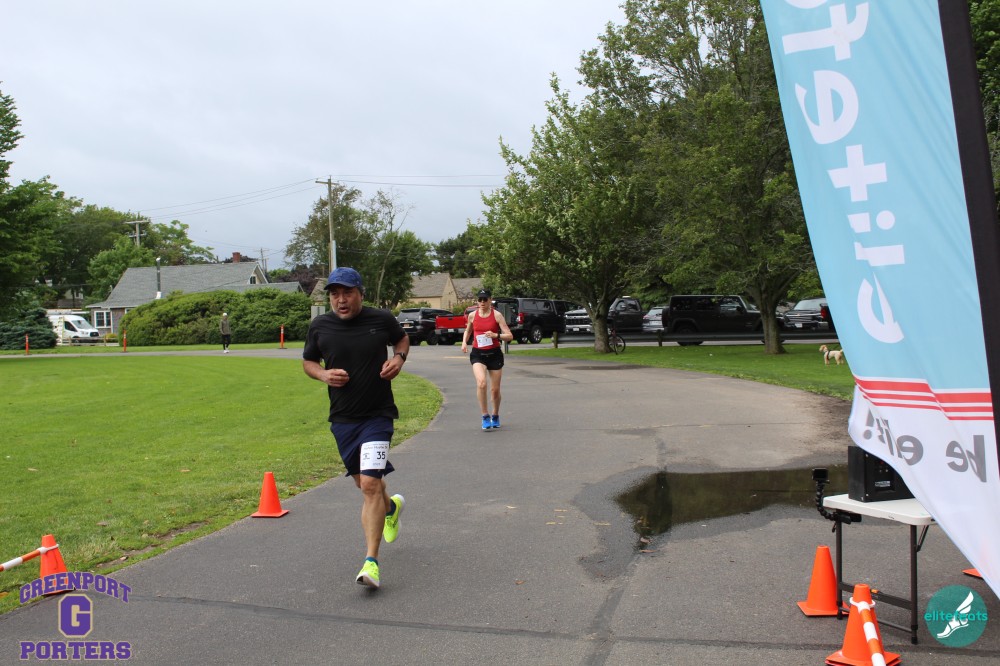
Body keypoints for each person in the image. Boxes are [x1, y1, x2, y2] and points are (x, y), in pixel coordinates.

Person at [302, 267, 410, 590]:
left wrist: (399, 358)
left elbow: (402, 338)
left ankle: (371, 562)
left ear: (361, 293)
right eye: (335, 294)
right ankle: (391, 508)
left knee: (370, 485)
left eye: (347, 293)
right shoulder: (320, 326)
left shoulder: (381, 319)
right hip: (343, 421)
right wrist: (323, 375)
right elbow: (308, 362)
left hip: (377, 416)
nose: (341, 300)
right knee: (366, 485)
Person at [461, 289, 514, 430]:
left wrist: (496, 335)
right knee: (481, 383)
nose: (482, 302)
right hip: (478, 354)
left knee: (495, 390)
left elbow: (509, 336)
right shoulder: (472, 315)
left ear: (490, 300)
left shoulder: (497, 315)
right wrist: (464, 342)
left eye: (485, 299)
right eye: (480, 299)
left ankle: (495, 415)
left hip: (494, 354)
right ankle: (485, 416)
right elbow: (468, 330)